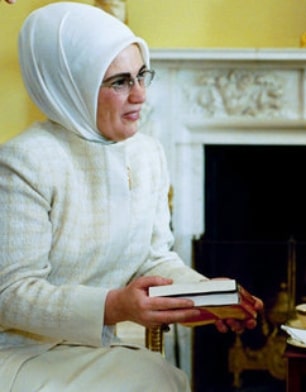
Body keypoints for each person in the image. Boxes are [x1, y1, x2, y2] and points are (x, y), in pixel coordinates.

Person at [0, 2, 263, 391]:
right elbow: (10, 295)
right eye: (120, 82)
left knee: (159, 379)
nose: (140, 95)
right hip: (22, 354)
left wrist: (206, 296)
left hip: (94, 351)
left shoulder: (147, 154)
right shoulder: (24, 161)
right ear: (73, 85)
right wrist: (113, 306)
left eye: (142, 75)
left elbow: (153, 259)